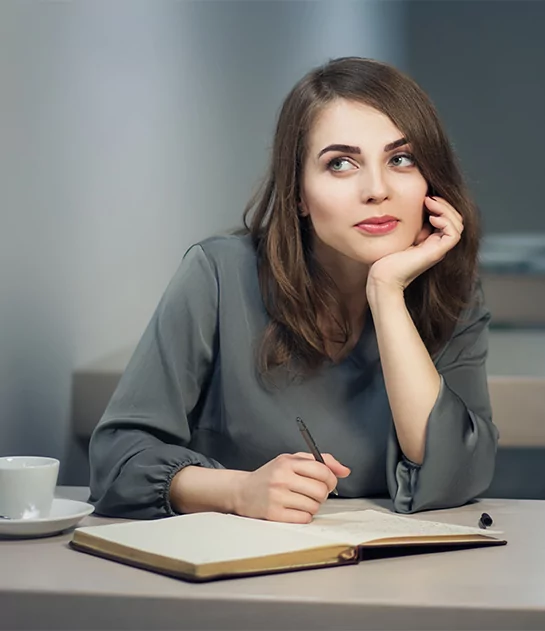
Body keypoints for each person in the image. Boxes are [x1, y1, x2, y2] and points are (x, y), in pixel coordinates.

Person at [88, 57, 498, 522]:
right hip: (237, 573)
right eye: (341, 164)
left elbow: (458, 474)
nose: (377, 189)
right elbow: (116, 461)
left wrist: (387, 294)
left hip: (389, 574)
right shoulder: (219, 273)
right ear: (299, 193)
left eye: (400, 159)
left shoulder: (451, 288)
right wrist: (237, 491)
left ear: (430, 178)